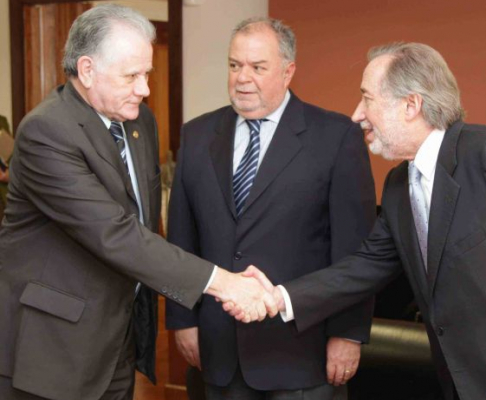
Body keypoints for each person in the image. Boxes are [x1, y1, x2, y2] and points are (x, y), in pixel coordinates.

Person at [0, 5, 276, 400]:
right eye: (132, 76)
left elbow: (148, 224)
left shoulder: (139, 121)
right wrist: (225, 283)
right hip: (54, 348)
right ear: (88, 69)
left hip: (118, 342)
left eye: (146, 74)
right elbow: (117, 235)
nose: (145, 88)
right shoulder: (47, 132)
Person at [241, 42, 480, 400]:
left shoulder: (480, 155)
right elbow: (364, 267)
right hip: (460, 381)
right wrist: (279, 297)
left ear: (411, 106)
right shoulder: (399, 186)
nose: (356, 115)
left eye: (367, 98)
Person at [165, 17, 376, 400]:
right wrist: (182, 320)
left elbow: (355, 252)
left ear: (288, 71)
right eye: (234, 65)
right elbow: (182, 238)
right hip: (218, 352)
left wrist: (347, 334)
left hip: (301, 353)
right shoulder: (196, 135)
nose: (242, 78)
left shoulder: (336, 136)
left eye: (258, 67)